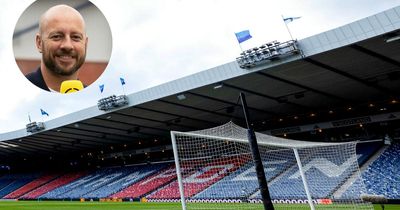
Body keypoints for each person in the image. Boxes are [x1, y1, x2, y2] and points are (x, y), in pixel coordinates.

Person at [25, 4, 88, 92]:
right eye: (57, 36)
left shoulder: (92, 98)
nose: (67, 46)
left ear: (85, 44)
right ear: (39, 43)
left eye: (76, 37)